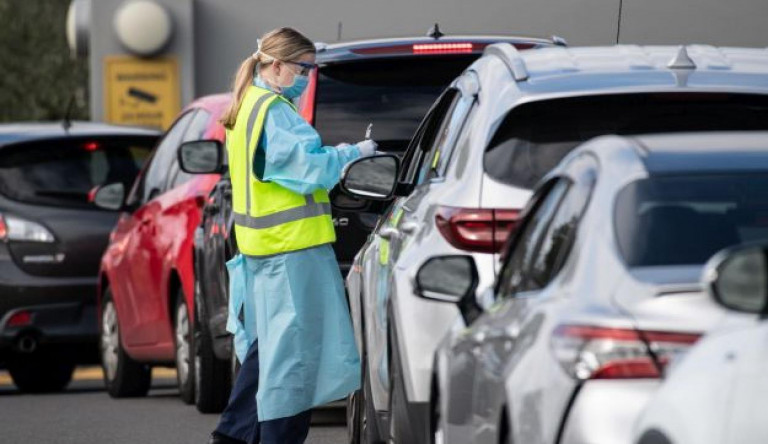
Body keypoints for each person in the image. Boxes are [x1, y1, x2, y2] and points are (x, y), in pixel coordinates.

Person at [208, 27, 376, 444]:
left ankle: (232, 435)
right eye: (303, 69)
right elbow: (308, 169)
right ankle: (273, 438)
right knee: (291, 364)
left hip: (265, 253)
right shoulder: (273, 111)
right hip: (291, 253)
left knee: (270, 354)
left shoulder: (247, 105)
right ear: (277, 65)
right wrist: (355, 153)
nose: (306, 78)